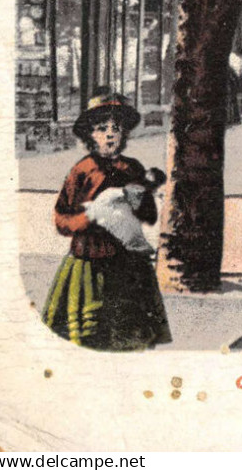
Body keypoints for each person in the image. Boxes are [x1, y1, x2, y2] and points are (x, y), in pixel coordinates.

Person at [42, 93, 172, 350]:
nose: (110, 134)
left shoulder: (133, 169)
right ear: (90, 135)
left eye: (116, 128)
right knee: (89, 333)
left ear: (125, 134)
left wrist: (140, 201)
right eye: (102, 128)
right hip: (89, 265)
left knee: (130, 335)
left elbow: (148, 216)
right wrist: (89, 217)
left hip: (129, 266)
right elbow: (61, 220)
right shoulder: (82, 171)